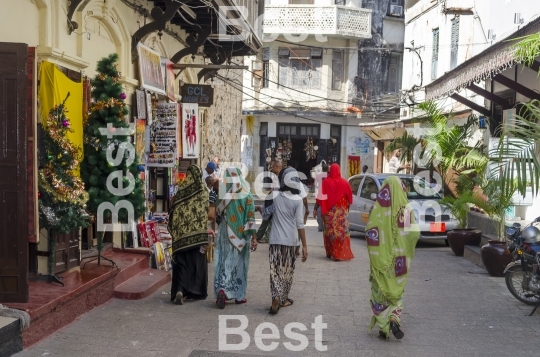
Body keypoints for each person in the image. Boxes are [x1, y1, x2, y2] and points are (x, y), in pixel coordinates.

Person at [366, 176, 419, 340]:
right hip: (399, 262)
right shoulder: (406, 210)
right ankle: (394, 318)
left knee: (379, 293)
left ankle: (384, 326)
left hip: (381, 260)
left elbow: (369, 232)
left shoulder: (378, 210)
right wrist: (403, 245)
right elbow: (415, 233)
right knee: (396, 292)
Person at [262, 167, 308, 315]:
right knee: (287, 271)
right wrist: (305, 246)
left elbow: (265, 216)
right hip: (291, 241)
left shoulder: (274, 195)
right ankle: (283, 298)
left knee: (275, 270)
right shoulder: (298, 200)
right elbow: (300, 224)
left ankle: (275, 297)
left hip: (275, 240)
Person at [214, 166, 258, 308]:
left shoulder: (222, 194)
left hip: (225, 232)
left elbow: (218, 212)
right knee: (239, 263)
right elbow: (251, 217)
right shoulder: (247, 194)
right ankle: (238, 295)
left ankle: (222, 288)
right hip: (241, 234)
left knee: (223, 259)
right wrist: (255, 237)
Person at [168, 165, 210, 304]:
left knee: (182, 265)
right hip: (197, 237)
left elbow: (173, 212)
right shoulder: (203, 191)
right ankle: (195, 290)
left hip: (181, 238)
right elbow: (205, 213)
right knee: (196, 264)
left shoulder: (181, 191)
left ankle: (180, 290)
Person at [319, 163, 354, 261]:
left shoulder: (325, 182)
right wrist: (347, 209)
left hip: (329, 214)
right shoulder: (345, 183)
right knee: (340, 233)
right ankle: (339, 253)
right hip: (341, 214)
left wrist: (317, 208)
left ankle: (330, 252)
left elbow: (321, 198)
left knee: (330, 233)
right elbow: (350, 199)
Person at [255, 160, 282, 243]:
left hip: (276, 200)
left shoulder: (281, 177)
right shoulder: (276, 177)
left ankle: (264, 236)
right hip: (272, 199)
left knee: (269, 219)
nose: (272, 169)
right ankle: (259, 235)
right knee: (267, 218)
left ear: (277, 167)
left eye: (273, 167)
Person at [312, 164, 329, 232]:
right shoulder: (329, 176)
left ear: (322, 169)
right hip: (328, 196)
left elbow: (315, 184)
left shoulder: (319, 176)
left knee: (319, 210)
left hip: (320, 193)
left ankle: (320, 226)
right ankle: (326, 225)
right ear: (328, 169)